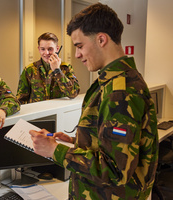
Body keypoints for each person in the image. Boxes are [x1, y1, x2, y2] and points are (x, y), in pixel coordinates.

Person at [29, 3, 158, 200]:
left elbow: (115, 170)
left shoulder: (120, 90)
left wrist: (56, 150)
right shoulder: (113, 81)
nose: (78, 54)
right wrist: (75, 142)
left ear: (101, 39)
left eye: (80, 46)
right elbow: (113, 147)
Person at [16, 32, 80, 104]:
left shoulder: (66, 68)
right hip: (37, 113)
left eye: (50, 49)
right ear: (39, 49)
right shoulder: (29, 70)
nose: (46, 53)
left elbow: (74, 93)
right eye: (43, 49)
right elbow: (21, 99)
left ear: (57, 49)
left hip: (58, 112)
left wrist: (57, 71)